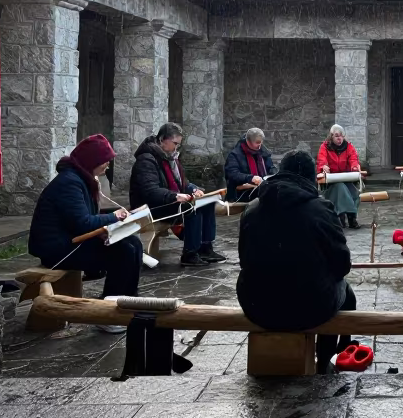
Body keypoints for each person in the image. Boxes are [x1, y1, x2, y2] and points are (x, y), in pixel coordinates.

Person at [236, 150, 357, 374]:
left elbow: (244, 260)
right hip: (310, 307)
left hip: (257, 304)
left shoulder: (251, 209)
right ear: (310, 177)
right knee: (347, 294)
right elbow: (342, 264)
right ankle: (325, 361)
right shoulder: (320, 209)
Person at [28, 134, 139, 334]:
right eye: (105, 160)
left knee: (132, 243)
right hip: (58, 248)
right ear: (92, 160)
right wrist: (114, 217)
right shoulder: (70, 183)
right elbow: (83, 223)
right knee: (123, 252)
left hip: (71, 240)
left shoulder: (81, 179)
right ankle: (108, 314)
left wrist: (110, 225)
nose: (108, 164)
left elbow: (83, 220)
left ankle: (126, 302)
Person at [129, 122, 224, 267]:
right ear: (162, 139)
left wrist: (193, 189)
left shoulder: (169, 157)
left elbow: (182, 183)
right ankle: (190, 253)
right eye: (174, 143)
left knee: (207, 202)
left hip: (165, 201)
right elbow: (150, 191)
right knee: (190, 207)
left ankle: (205, 247)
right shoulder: (146, 160)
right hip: (150, 207)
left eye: (178, 144)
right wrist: (174, 196)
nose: (176, 147)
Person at [316, 124, 362, 229]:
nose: (339, 138)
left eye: (341, 136)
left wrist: (355, 167)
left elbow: (353, 159)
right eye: (336, 136)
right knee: (340, 187)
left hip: (346, 178)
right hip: (331, 182)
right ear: (331, 137)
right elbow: (321, 161)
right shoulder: (324, 147)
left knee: (354, 191)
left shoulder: (349, 147)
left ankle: (351, 217)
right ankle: (341, 215)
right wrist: (324, 167)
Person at [224, 127, 275, 201]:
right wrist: (251, 178)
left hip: (262, 191)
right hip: (241, 195)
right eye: (257, 142)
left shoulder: (263, 152)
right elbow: (232, 174)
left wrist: (274, 174)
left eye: (261, 142)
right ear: (248, 141)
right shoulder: (235, 155)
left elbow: (270, 168)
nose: (259, 145)